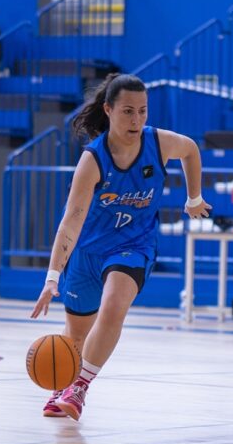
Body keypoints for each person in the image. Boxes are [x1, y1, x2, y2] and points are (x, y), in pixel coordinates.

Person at [30, 73, 211, 420]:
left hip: (133, 246)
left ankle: (79, 388)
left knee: (113, 306)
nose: (137, 120)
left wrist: (194, 197)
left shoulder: (157, 143)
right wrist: (52, 276)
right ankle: (64, 379)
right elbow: (70, 221)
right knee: (76, 337)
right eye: (128, 111)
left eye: (143, 111)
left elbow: (190, 150)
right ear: (109, 110)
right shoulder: (93, 160)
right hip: (87, 251)